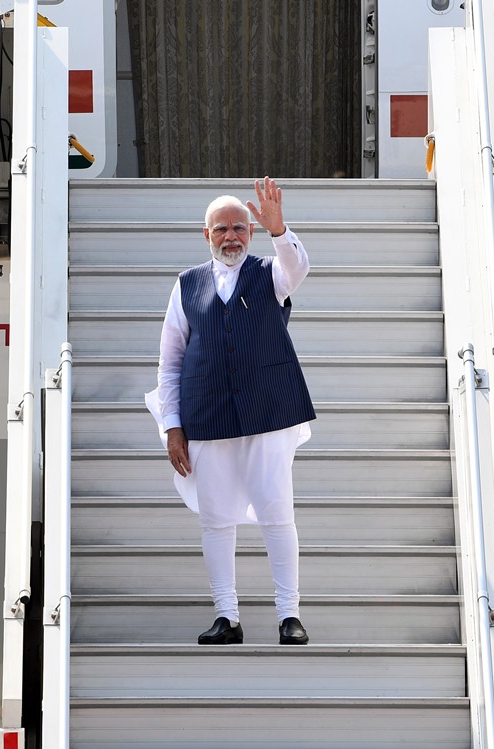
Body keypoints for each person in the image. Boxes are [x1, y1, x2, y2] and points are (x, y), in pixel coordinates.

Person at [146, 177, 316, 645]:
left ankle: (289, 616)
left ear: (251, 232)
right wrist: (172, 427)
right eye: (221, 229)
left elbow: (297, 268)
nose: (231, 237)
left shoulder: (271, 272)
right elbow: (170, 360)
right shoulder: (186, 284)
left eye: (240, 228)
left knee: (277, 512)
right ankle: (227, 616)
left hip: (269, 411)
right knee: (216, 519)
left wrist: (279, 229)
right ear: (207, 235)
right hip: (207, 413)